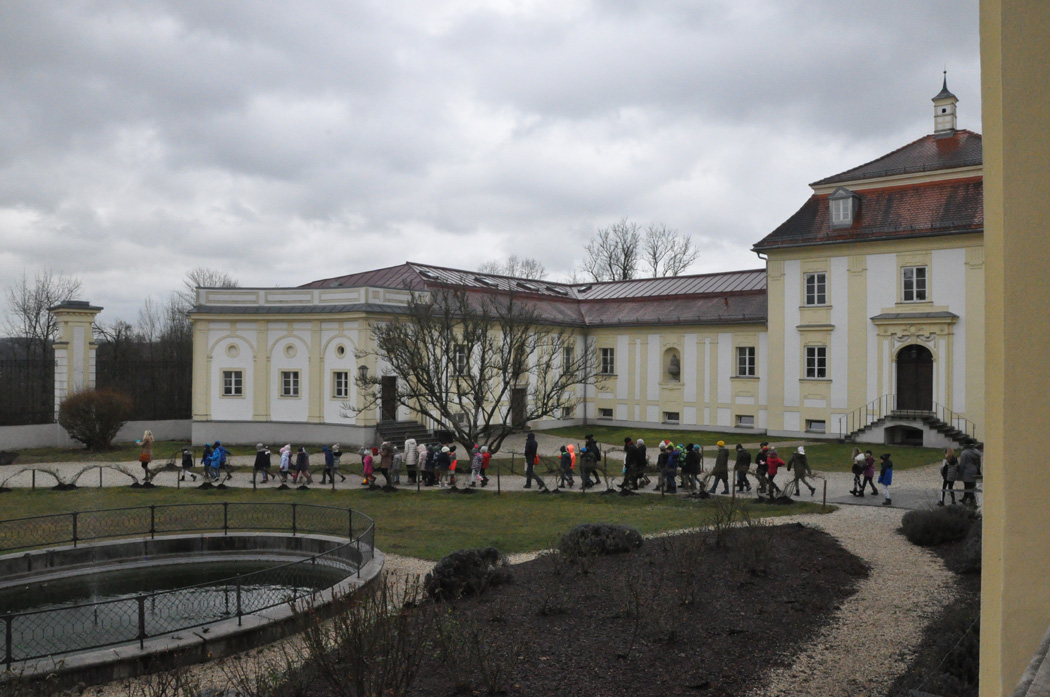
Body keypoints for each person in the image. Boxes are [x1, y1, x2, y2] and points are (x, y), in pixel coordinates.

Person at [958, 441, 982, 505]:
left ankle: (972, 500)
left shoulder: (964, 453)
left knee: (967, 485)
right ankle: (965, 498)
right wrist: (978, 470)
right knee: (972, 485)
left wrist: (960, 473)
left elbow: (962, 464)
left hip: (967, 471)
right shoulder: (977, 452)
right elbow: (979, 463)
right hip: (974, 470)